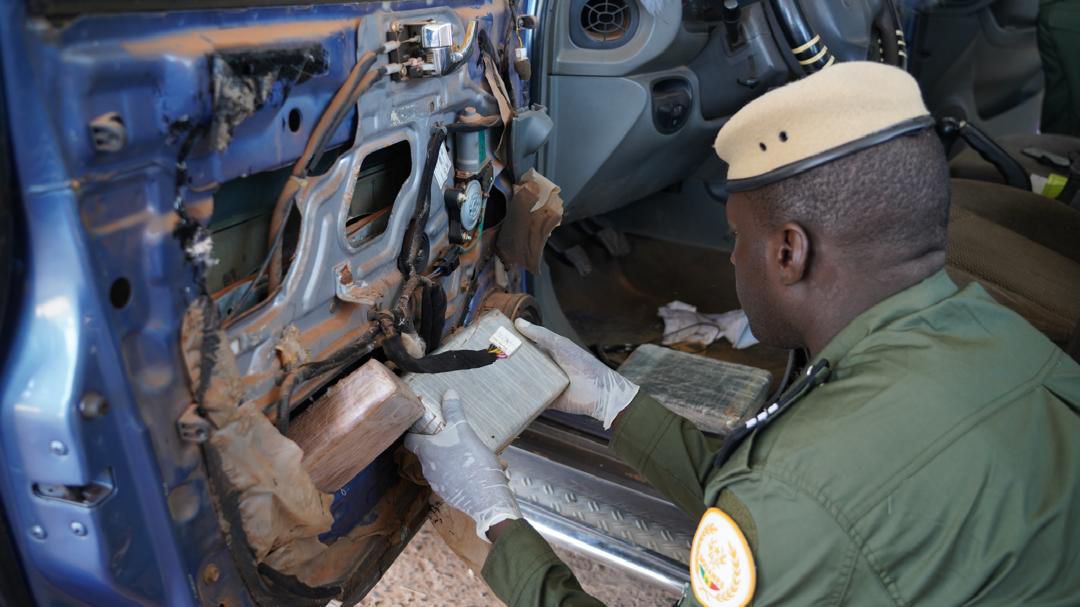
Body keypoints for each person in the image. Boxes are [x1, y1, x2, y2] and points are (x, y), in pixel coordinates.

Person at [405, 62, 1080, 606]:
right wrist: (618, 402)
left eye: (737, 240)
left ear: (789, 252)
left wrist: (498, 519)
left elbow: (800, 506)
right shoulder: (1017, 345)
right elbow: (804, 507)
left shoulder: (797, 496)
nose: (731, 260)